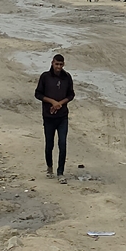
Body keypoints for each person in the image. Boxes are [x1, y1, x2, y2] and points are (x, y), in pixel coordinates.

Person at [34, 54, 75, 184]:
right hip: (48, 117)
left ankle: (60, 172)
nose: (58, 67)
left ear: (64, 64)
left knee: (62, 144)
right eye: (56, 64)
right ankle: (49, 167)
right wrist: (52, 102)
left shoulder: (67, 77)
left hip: (62, 117)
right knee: (49, 145)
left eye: (61, 64)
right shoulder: (45, 77)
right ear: (52, 63)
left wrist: (60, 103)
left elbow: (71, 94)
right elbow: (38, 94)